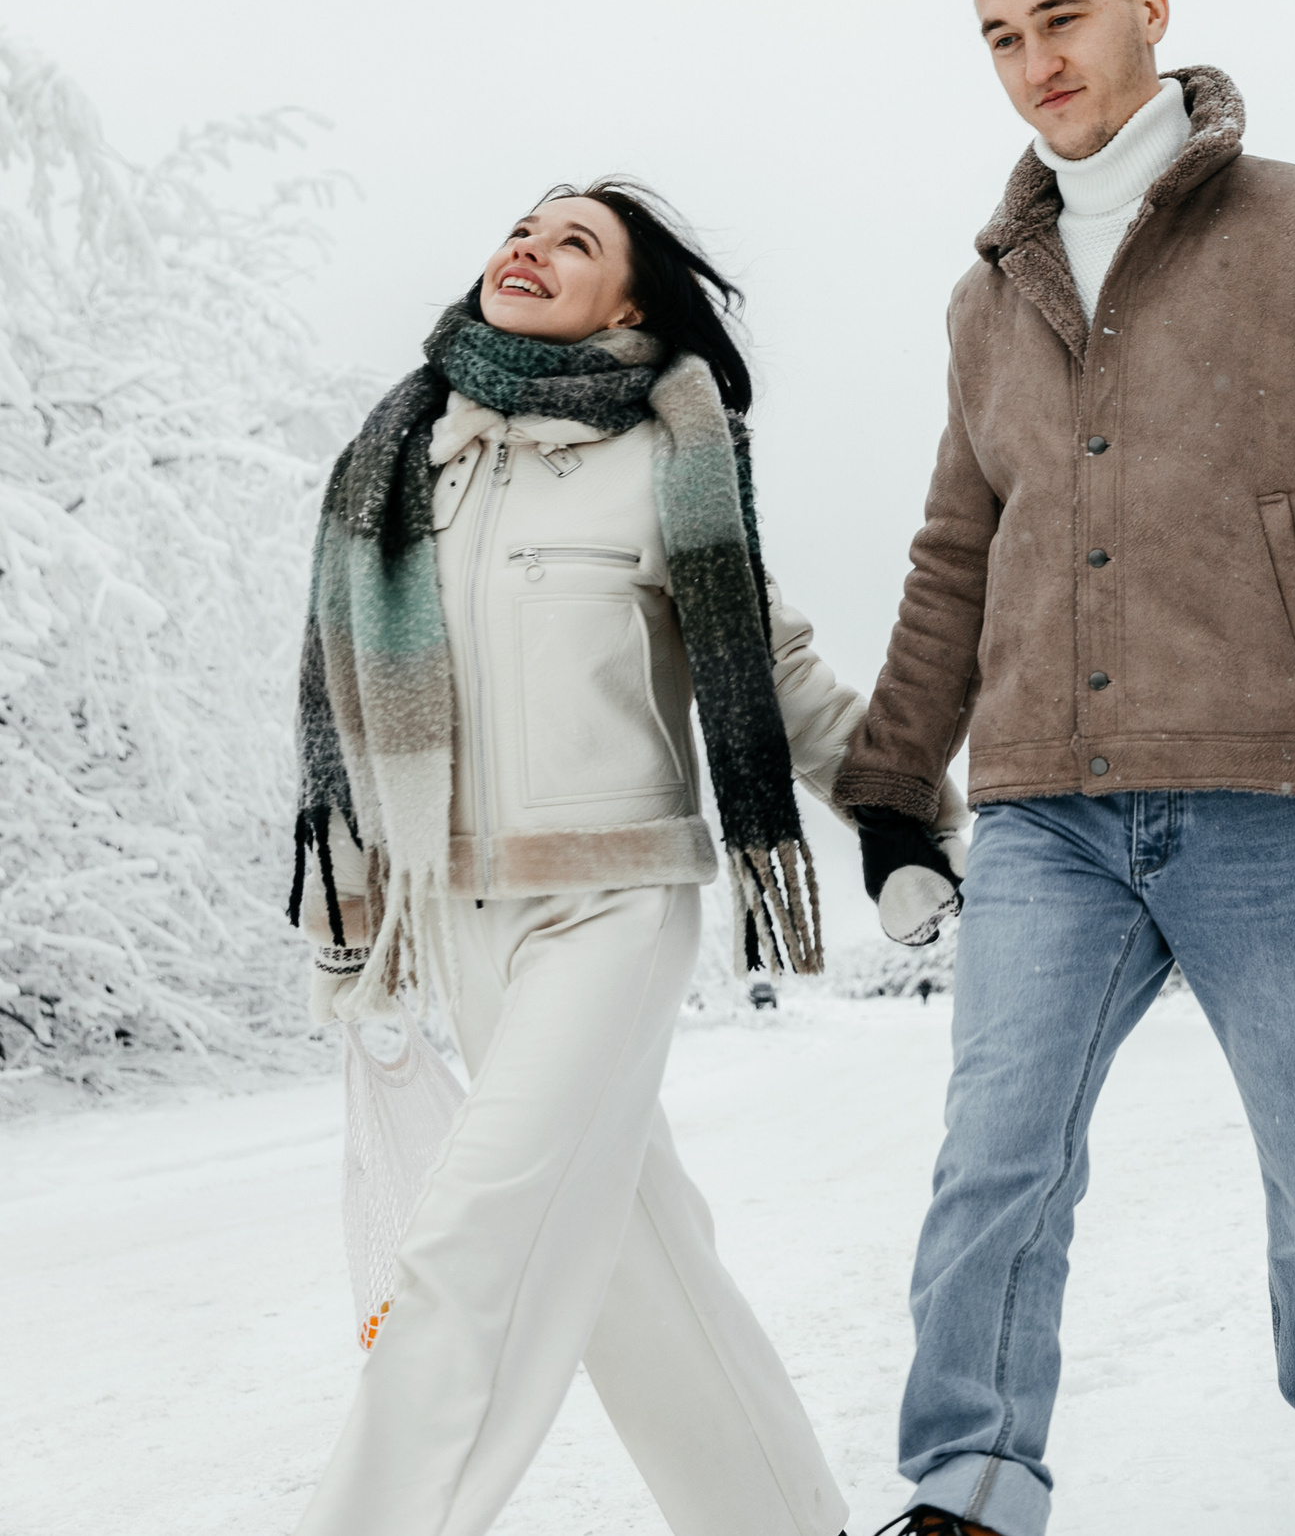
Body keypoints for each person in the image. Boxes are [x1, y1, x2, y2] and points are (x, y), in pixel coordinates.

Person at [840, 0, 1295, 1536]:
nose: (1035, 61)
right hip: (1047, 810)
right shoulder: (989, 299)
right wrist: (893, 783)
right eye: (1001, 37)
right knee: (996, 1162)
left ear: (1149, 8)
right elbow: (958, 550)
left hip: (1271, 791)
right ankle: (969, 1489)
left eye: (1062, 18)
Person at [288, 179, 964, 1536]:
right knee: (637, 1269)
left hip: (611, 902)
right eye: (521, 229)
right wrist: (349, 895)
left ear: (628, 305)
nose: (529, 248)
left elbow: (772, 672)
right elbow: (338, 696)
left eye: (574, 242)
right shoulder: (401, 455)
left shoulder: (667, 456)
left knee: (472, 1249)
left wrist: (903, 814)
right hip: (460, 915)